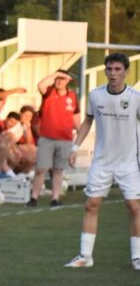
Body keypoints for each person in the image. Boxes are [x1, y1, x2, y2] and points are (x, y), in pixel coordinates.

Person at [65, 53, 140, 269]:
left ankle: (137, 258)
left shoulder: (135, 97)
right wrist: (75, 147)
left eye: (117, 69)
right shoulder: (95, 96)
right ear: (105, 71)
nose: (113, 73)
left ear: (126, 71)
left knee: (134, 207)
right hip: (102, 161)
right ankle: (85, 256)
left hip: (129, 162)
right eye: (109, 69)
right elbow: (87, 121)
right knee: (91, 204)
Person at [28, 69, 80, 207]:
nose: (58, 81)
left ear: (68, 80)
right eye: (57, 78)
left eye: (62, 78)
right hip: (47, 138)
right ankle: (34, 198)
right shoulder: (49, 92)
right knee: (41, 169)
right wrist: (55, 75)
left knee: (58, 170)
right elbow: (40, 85)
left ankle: (55, 198)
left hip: (65, 139)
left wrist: (80, 137)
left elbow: (76, 118)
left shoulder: (73, 96)